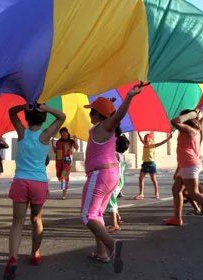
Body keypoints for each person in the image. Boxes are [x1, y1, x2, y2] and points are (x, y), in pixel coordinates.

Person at [81, 86, 142, 274]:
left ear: (97, 114)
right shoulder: (100, 127)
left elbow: (118, 116)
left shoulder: (107, 126)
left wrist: (128, 98)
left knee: (87, 216)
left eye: (92, 111)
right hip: (109, 174)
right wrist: (109, 106)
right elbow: (113, 115)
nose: (89, 113)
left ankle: (112, 247)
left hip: (101, 175)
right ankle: (102, 254)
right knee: (97, 214)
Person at [3, 103, 65, 280]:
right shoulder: (46, 135)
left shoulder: (21, 133)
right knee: (36, 219)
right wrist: (46, 108)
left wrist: (25, 105)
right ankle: (35, 253)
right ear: (44, 118)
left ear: (27, 117)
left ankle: (13, 258)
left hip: (21, 181)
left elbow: (11, 112)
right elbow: (62, 117)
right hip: (38, 183)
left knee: (17, 222)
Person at [163, 110, 203, 233]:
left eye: (183, 116)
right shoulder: (192, 131)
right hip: (185, 165)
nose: (180, 118)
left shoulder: (190, 131)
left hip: (190, 165)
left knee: (193, 193)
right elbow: (183, 150)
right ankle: (177, 218)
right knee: (176, 190)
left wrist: (193, 114)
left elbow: (174, 121)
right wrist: (178, 168)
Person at [134, 132, 172, 200]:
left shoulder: (153, 145)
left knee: (153, 179)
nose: (146, 140)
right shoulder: (144, 144)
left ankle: (156, 193)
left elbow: (162, 142)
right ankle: (141, 193)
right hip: (144, 164)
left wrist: (168, 138)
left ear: (151, 140)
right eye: (145, 139)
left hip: (151, 164)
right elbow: (141, 139)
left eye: (148, 139)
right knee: (141, 178)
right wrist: (138, 133)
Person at [105, 134, 130, 233]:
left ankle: (114, 224)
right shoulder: (121, 155)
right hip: (119, 181)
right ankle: (118, 217)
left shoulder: (115, 154)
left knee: (111, 201)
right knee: (113, 199)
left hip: (115, 181)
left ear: (116, 145)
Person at [51, 127, 79, 200]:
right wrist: (52, 144)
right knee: (59, 176)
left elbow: (76, 148)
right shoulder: (58, 141)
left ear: (67, 133)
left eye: (64, 132)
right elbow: (55, 151)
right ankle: (65, 185)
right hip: (59, 161)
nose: (63, 134)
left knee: (64, 176)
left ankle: (63, 193)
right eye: (62, 132)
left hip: (67, 161)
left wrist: (75, 141)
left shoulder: (71, 141)